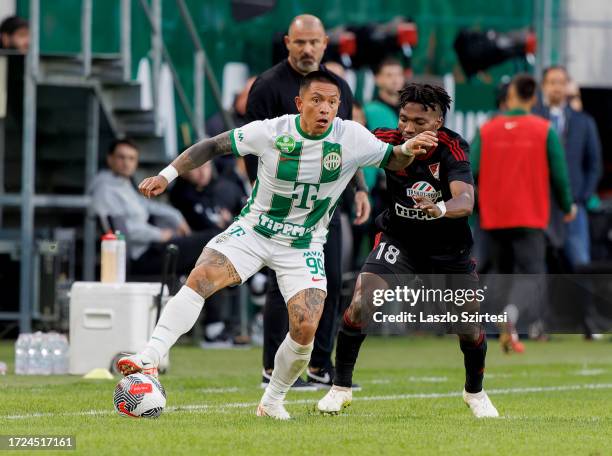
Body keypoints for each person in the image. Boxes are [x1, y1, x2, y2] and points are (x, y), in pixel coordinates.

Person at [117, 71, 433, 420]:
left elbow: (393, 158)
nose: (324, 108)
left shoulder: (352, 137)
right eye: (316, 100)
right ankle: (150, 355)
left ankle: (272, 401)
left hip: (304, 244)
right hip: (255, 231)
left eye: (332, 102)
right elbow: (212, 145)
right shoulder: (271, 131)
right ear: (300, 104)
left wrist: (407, 149)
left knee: (306, 326)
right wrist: (166, 175)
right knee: (202, 276)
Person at [316, 82, 499, 418]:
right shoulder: (387, 139)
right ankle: (340, 387)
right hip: (399, 241)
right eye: (404, 119)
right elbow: (348, 151)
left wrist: (441, 209)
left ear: (439, 122)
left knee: (468, 326)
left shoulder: (453, 147)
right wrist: (357, 189)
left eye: (419, 122)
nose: (408, 128)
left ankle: (475, 392)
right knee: (361, 301)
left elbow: (466, 200)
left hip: (449, 249)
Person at [245, 14, 370, 390]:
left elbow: (350, 145)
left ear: (325, 43)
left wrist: (360, 188)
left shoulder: (339, 89)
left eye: (313, 42)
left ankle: (319, 366)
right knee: (279, 286)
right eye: (300, 42)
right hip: (280, 208)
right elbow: (249, 148)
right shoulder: (266, 87)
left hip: (324, 208)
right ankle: (273, 369)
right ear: (287, 43)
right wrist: (263, 196)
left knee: (329, 282)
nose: (307, 49)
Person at [473, 74, 576, 343]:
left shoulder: (486, 130)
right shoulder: (544, 130)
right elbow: (560, 176)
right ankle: (513, 314)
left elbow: (469, 172)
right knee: (530, 274)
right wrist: (567, 206)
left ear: (508, 98)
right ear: (534, 98)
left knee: (497, 272)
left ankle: (493, 331)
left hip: (493, 216)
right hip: (530, 216)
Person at [89, 139, 216, 275]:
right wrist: (160, 235)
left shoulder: (122, 184)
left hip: (151, 248)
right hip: (140, 257)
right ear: (110, 159)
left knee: (207, 255)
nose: (126, 163)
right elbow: (120, 231)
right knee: (212, 239)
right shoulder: (105, 189)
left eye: (131, 158)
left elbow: (147, 205)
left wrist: (176, 217)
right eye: (121, 157)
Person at [533, 66, 602, 268]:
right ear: (543, 86)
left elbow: (594, 163)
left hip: (573, 207)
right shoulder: (533, 119)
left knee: (580, 265)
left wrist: (582, 196)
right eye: (552, 82)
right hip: (540, 208)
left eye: (561, 82)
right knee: (537, 269)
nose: (557, 87)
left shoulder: (584, 121)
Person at [364, 57, 405, 129]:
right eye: (389, 75)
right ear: (377, 79)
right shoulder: (368, 111)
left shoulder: (409, 109)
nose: (395, 80)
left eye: (399, 75)